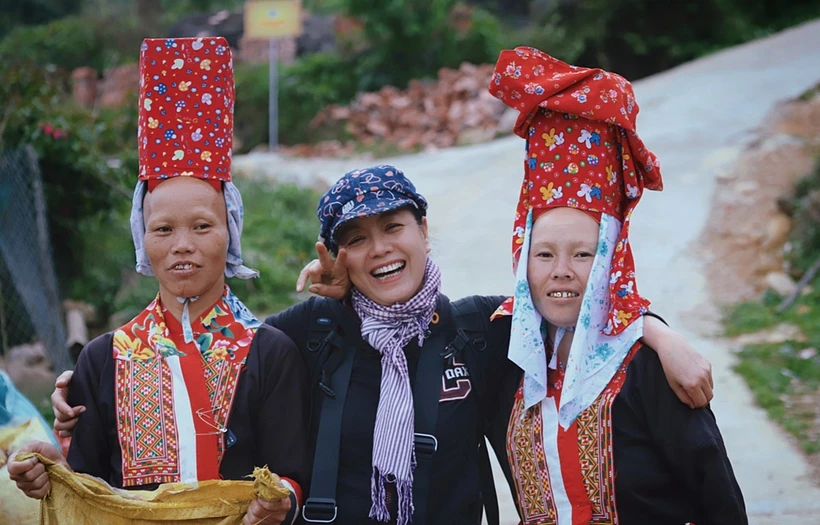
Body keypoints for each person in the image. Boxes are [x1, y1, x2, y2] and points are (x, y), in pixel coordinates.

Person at [7, 37, 309, 525]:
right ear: (141, 239)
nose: (182, 244)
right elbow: (87, 485)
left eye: (202, 226)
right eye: (163, 229)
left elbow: (294, 474)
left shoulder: (270, 353)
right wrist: (52, 471)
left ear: (231, 232)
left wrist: (281, 502)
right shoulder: (104, 358)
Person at [483, 47, 747, 523]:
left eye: (583, 254)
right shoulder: (503, 351)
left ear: (610, 262)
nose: (561, 271)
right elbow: (416, 315)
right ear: (522, 259)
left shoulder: (647, 370)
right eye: (543, 254)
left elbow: (719, 503)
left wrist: (654, 332)